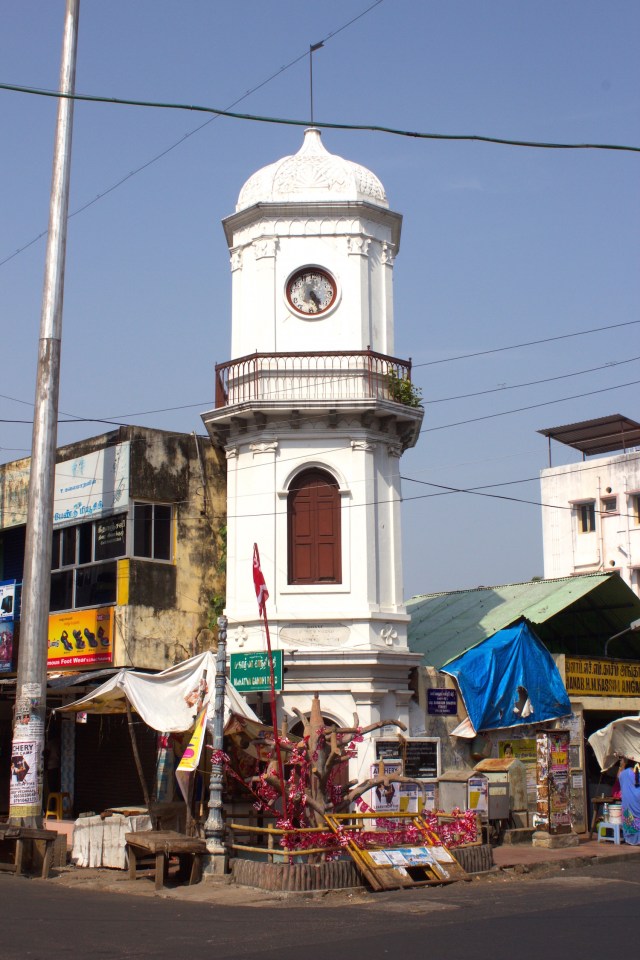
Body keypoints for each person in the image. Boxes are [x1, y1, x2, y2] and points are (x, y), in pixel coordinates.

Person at [618, 758, 640, 845]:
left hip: (628, 800)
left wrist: (622, 764)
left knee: (629, 818)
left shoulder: (624, 773)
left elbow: (618, 776)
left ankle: (632, 840)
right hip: (637, 799)